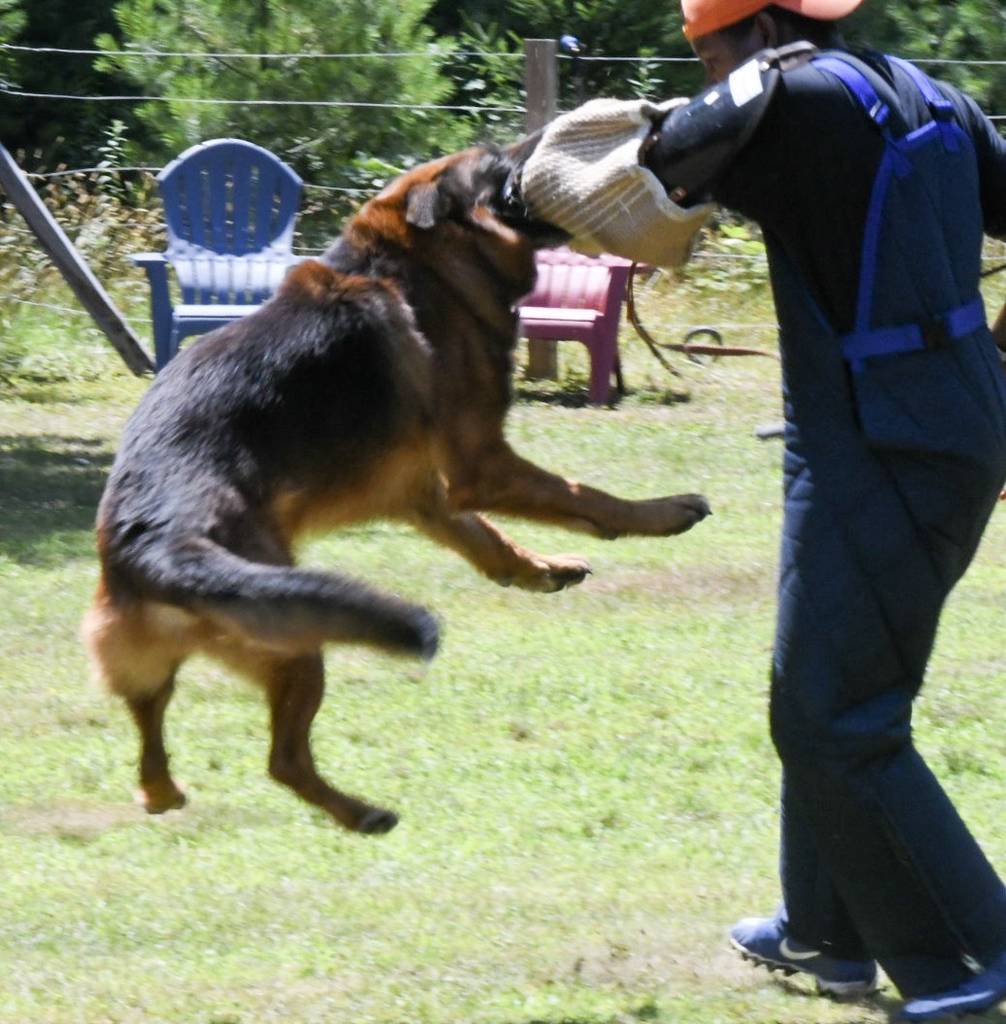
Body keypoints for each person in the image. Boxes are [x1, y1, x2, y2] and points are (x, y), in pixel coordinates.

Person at [660, 1, 1006, 1019]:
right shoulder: (928, 93)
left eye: (711, 50)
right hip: (924, 427)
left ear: (764, 30)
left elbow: (659, 162)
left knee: (836, 715)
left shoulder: (795, 98)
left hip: (882, 441)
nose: (707, 71)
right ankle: (824, 934)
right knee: (823, 676)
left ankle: (975, 951)